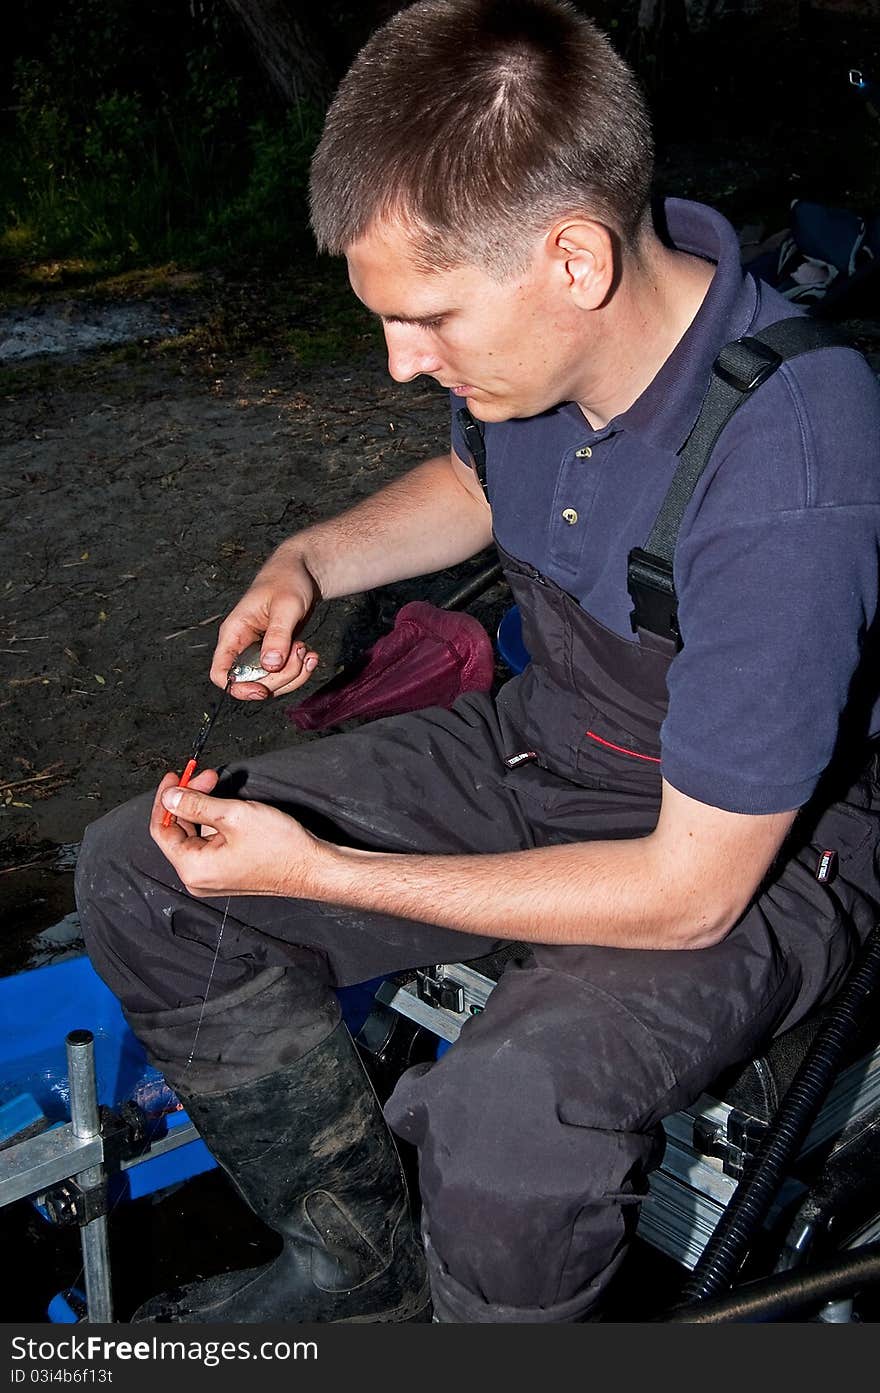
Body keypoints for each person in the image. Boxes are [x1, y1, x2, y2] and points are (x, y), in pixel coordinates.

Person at [75, 0, 880, 1325]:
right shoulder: (559, 345)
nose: (404, 363)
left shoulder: (794, 460)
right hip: (556, 740)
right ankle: (360, 1266)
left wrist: (327, 872)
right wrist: (313, 559)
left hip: (756, 855)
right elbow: (477, 479)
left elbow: (689, 892)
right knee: (137, 871)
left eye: (430, 319)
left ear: (572, 258)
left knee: (510, 1117)